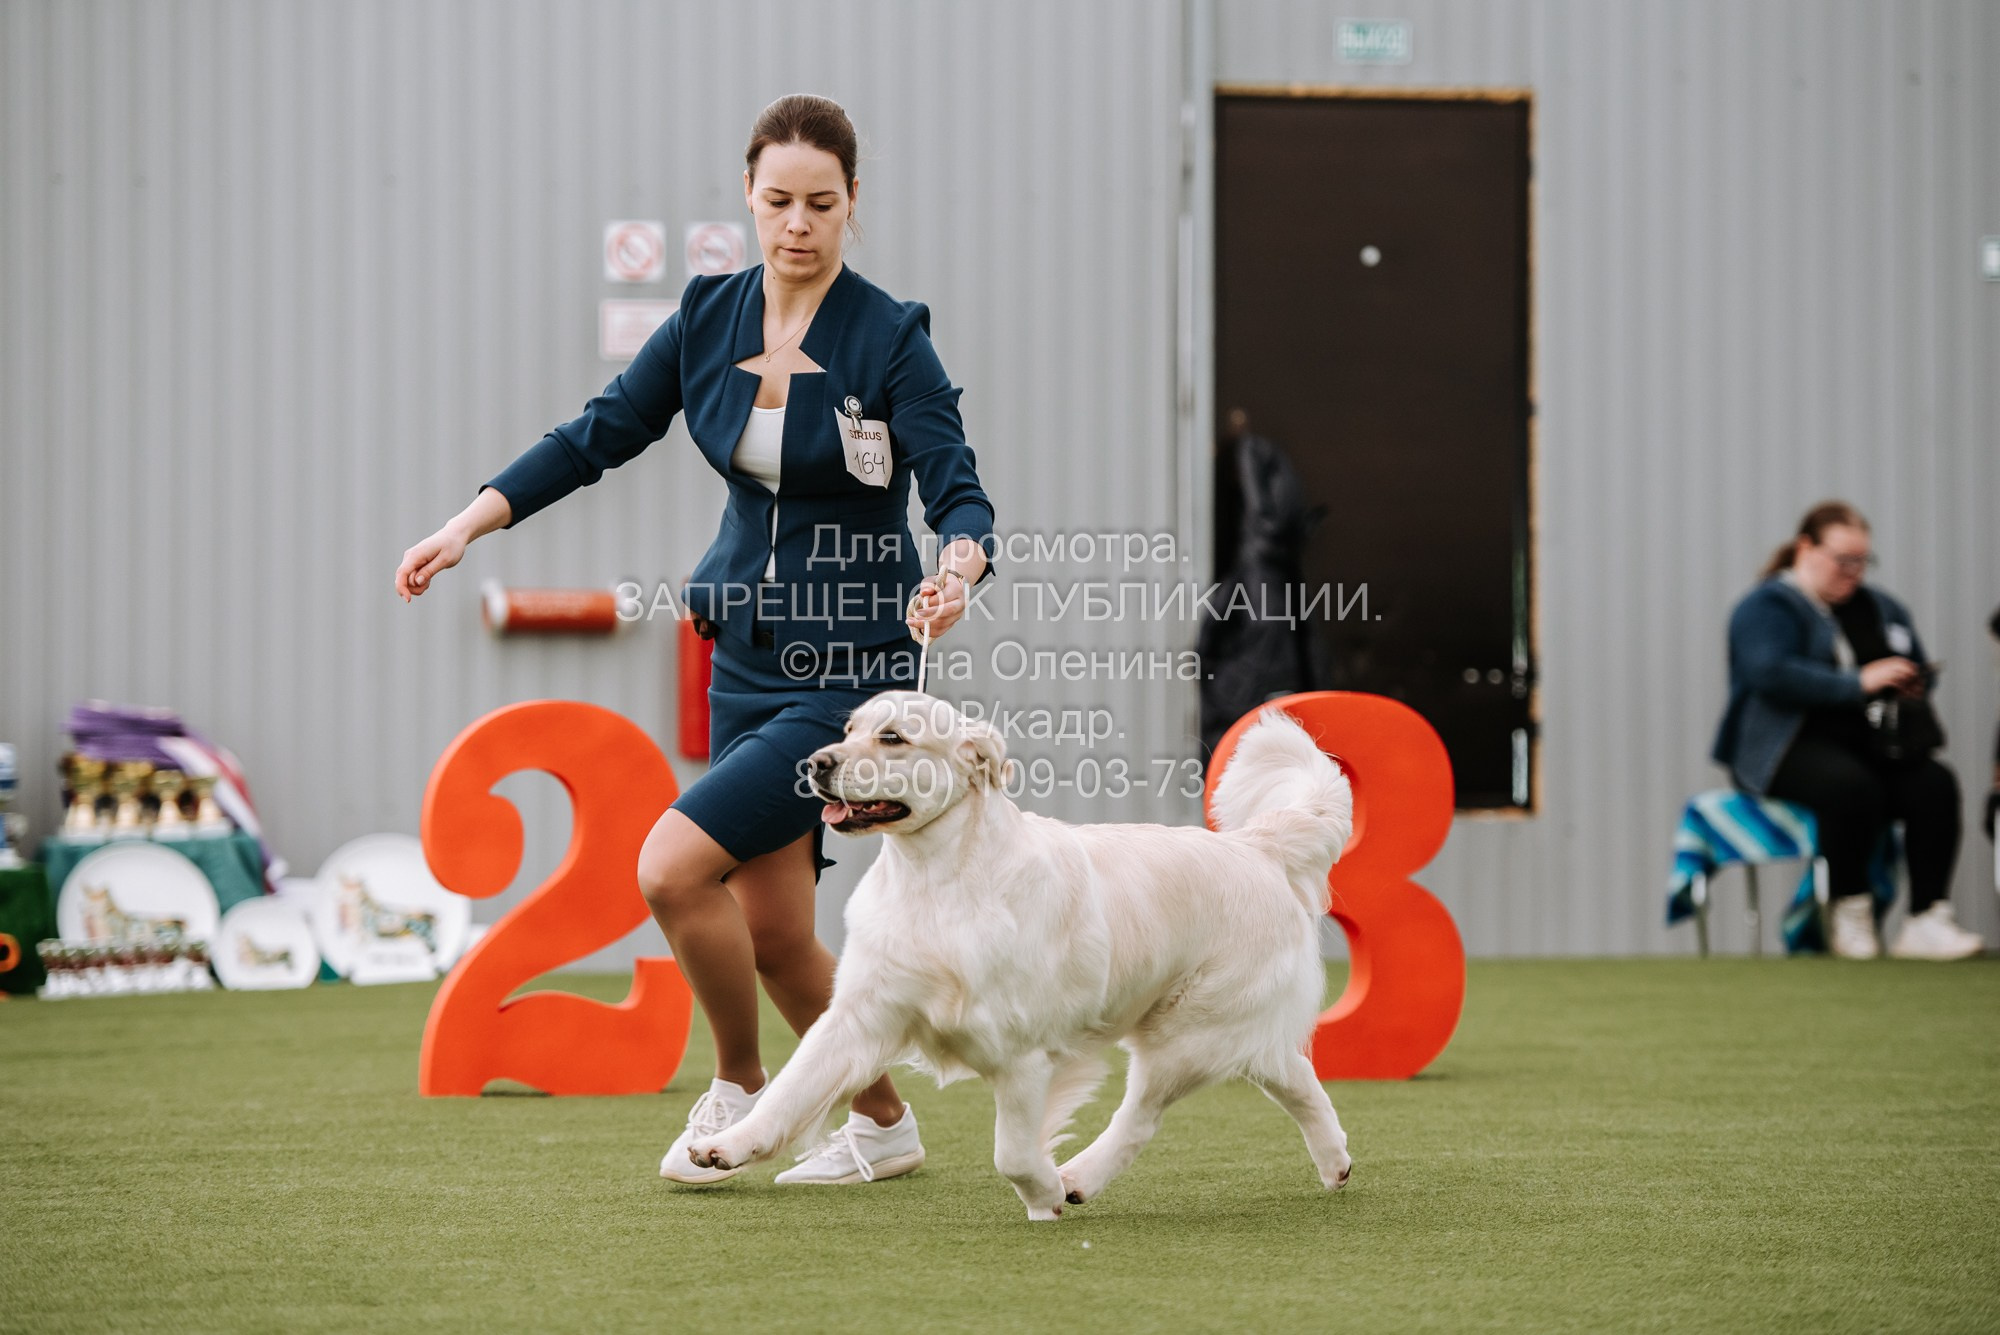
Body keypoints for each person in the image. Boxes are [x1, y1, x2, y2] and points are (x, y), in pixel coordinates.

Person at [393, 95, 998, 1182]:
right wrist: (465, 522)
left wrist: (957, 569)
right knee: (775, 937)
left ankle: (738, 1088)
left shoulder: (889, 334)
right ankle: (883, 1127)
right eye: (777, 201)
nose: (797, 223)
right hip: (743, 659)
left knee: (671, 870)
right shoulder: (710, 314)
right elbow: (598, 433)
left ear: (852, 202)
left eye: (821, 202)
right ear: (748, 199)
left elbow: (956, 488)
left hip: (849, 673)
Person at [1711, 501, 1980, 960]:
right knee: (1848, 786)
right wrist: (1857, 683)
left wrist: (1912, 679)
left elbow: (1913, 660)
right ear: (1806, 548)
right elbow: (1769, 673)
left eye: (1861, 561)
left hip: (1872, 743)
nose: (1853, 572)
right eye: (1843, 560)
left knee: (1933, 783)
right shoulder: (1768, 605)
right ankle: (1850, 910)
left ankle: (1926, 917)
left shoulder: (1880, 607)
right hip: (1785, 749)